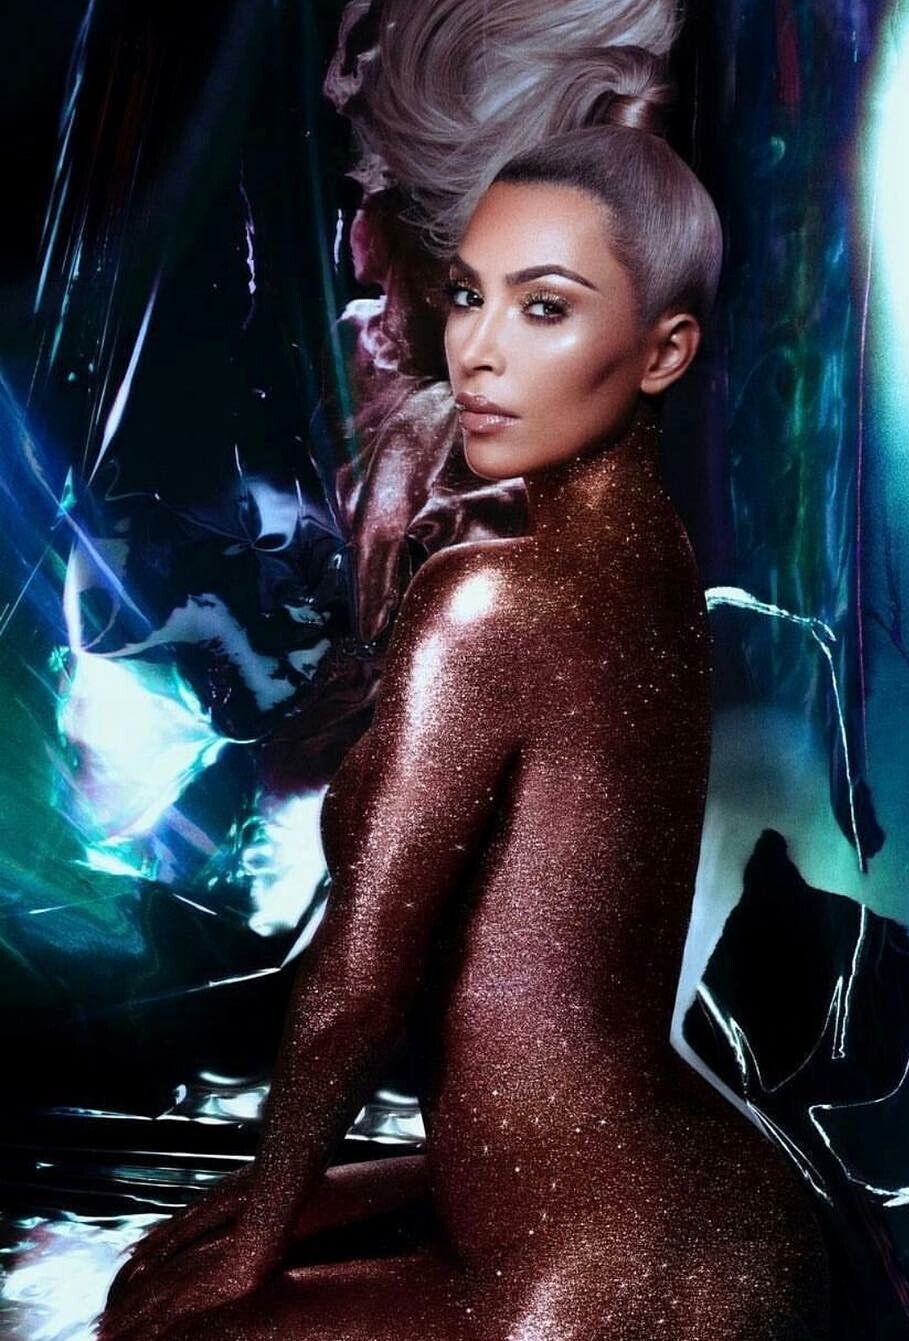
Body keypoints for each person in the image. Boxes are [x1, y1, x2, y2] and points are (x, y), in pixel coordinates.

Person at [97, 11, 830, 1341]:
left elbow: (359, 985)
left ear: (664, 351)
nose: (476, 351)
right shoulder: (652, 555)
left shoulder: (490, 599)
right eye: (468, 295)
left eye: (543, 308)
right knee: (191, 1248)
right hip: (700, 1207)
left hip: (589, 1269)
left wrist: (255, 1248)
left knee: (162, 1318)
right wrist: (313, 1205)